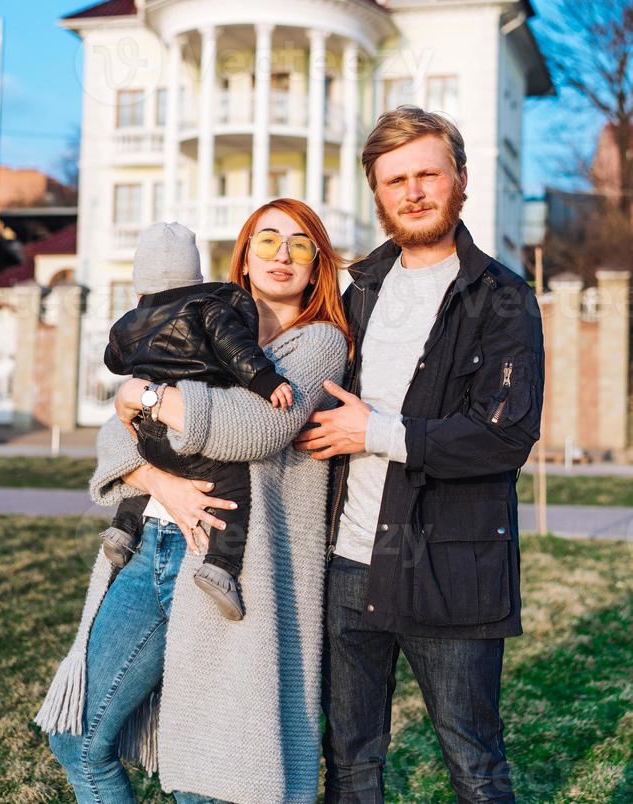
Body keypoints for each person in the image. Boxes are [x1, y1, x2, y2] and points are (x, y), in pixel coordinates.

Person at [36, 198, 350, 804]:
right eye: (267, 241)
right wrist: (158, 481)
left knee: (208, 777)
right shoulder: (197, 322)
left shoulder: (318, 346)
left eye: (300, 245)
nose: (281, 256)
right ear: (244, 254)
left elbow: (254, 427)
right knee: (77, 739)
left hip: (230, 567)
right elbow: (111, 435)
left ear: (317, 266)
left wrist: (143, 397)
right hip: (151, 548)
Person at [295, 106, 544, 803]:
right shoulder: (360, 290)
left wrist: (373, 432)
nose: (412, 191)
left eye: (427, 174)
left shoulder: (502, 298)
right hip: (349, 562)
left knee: (474, 761)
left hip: (453, 564)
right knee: (349, 759)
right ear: (378, 194)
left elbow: (503, 435)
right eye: (395, 180)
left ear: (460, 180)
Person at [102, 220, 294, 621]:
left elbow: (114, 360)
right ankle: (221, 567)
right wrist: (265, 378)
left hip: (148, 431)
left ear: (141, 287)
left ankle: (123, 527)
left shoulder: (130, 322)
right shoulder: (209, 306)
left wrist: (136, 386)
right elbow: (234, 347)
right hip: (191, 439)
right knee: (233, 486)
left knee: (150, 459)